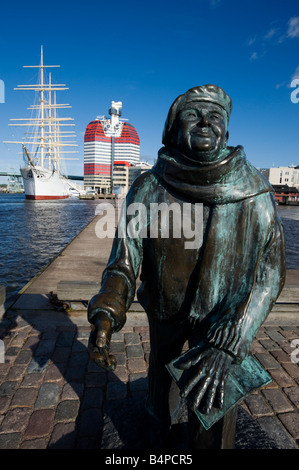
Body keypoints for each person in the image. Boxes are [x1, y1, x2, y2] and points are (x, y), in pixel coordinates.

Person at [88, 85, 286, 448]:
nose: (205, 123)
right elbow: (124, 263)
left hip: (221, 321)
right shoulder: (147, 188)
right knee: (158, 385)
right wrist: (106, 312)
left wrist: (234, 338)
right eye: (192, 115)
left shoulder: (255, 192)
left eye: (215, 117)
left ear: (226, 129)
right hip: (164, 310)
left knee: (212, 403)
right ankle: (155, 432)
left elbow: (270, 277)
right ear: (174, 128)